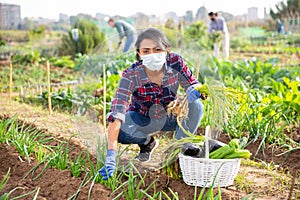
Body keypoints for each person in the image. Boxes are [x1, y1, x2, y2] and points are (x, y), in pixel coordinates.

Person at [98, 27, 206, 180]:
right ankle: (147, 142)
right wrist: (111, 154)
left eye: (157, 49)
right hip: (143, 119)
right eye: (146, 51)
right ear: (139, 54)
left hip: (170, 117)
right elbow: (117, 111)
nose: (152, 55)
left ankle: (179, 149)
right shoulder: (131, 75)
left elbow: (192, 84)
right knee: (121, 130)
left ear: (167, 50)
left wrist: (196, 88)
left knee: (197, 105)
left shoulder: (176, 62)